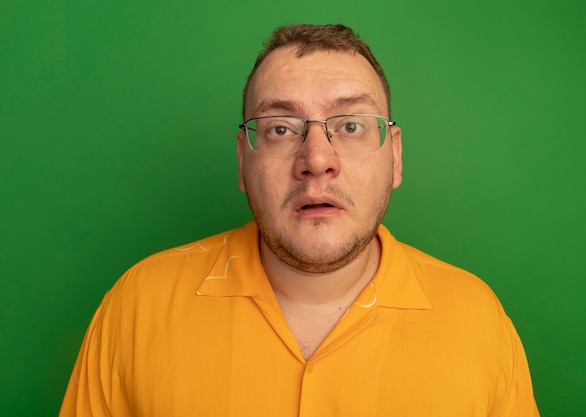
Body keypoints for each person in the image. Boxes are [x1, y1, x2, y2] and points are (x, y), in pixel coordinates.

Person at [59, 23, 540, 416]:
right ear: (243, 161)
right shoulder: (137, 307)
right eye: (281, 129)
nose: (316, 159)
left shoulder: (479, 322)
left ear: (395, 157)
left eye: (351, 126)